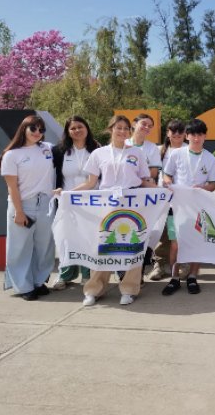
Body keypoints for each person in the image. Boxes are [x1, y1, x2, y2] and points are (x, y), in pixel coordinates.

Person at [70, 115, 156, 306]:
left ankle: (129, 288)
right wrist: (67, 193)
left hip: (132, 203)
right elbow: (90, 183)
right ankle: (94, 289)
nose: (123, 132)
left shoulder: (137, 153)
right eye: (119, 128)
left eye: (126, 128)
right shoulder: (99, 154)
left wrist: (162, 189)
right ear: (111, 129)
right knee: (103, 246)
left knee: (133, 246)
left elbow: (143, 180)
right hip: (106, 203)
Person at [0, 115, 55, 301]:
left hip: (46, 203)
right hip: (23, 204)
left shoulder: (49, 149)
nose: (38, 133)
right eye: (33, 129)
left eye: (41, 130)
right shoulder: (12, 155)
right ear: (24, 129)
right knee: (19, 247)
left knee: (44, 246)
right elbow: (12, 187)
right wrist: (19, 212)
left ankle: (39, 281)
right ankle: (23, 286)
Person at [161, 118, 215, 296]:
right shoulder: (176, 154)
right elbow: (166, 175)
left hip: (199, 207)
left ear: (205, 136)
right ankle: (174, 278)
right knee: (175, 244)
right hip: (177, 206)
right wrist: (169, 184)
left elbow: (213, 185)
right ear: (187, 136)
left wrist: (203, 188)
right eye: (193, 134)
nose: (196, 138)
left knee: (196, 243)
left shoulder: (210, 158)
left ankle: (193, 276)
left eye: (200, 134)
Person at [51, 116, 100, 290]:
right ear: (68, 132)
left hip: (91, 203)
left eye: (80, 126)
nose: (77, 130)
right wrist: (58, 190)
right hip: (67, 203)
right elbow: (54, 176)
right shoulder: (59, 151)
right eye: (73, 128)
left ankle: (87, 275)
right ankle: (65, 275)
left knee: (88, 238)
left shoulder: (97, 149)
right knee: (66, 239)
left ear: (87, 128)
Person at [126, 113, 163, 281]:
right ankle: (124, 274)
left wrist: (135, 178)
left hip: (144, 196)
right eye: (144, 124)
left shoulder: (152, 148)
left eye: (150, 125)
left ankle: (137, 276)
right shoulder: (123, 143)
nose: (147, 128)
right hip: (124, 196)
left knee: (141, 234)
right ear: (134, 124)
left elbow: (153, 173)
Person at [149, 119, 187, 281]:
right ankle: (160, 264)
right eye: (173, 131)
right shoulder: (159, 151)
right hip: (162, 200)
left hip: (184, 200)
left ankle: (182, 264)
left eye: (180, 131)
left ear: (185, 134)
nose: (177, 134)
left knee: (181, 233)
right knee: (163, 233)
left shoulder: (189, 149)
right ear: (167, 133)